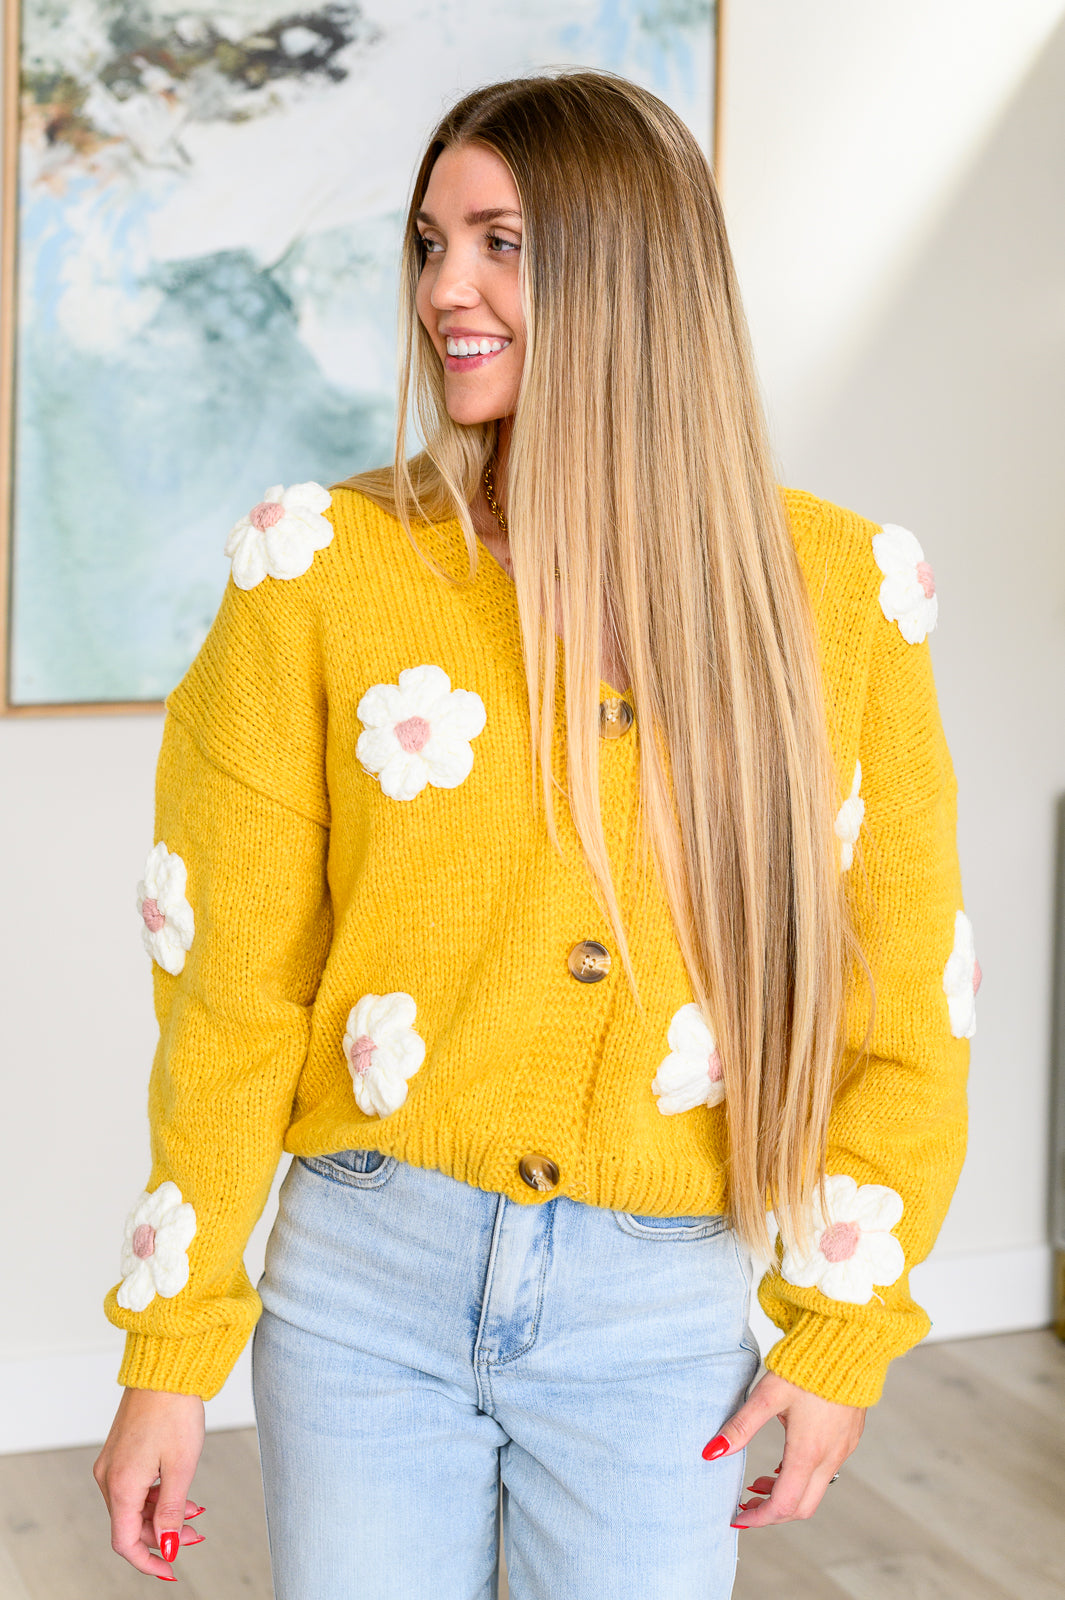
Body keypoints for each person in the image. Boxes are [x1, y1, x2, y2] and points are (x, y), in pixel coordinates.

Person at [92, 69, 974, 1599]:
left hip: (659, 1311)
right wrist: (170, 1351)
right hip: (363, 1290)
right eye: (430, 244)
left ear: (629, 269)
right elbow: (232, 999)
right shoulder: (315, 571)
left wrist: (844, 1330)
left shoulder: (838, 599)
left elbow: (903, 1008)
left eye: (501, 241)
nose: (447, 291)